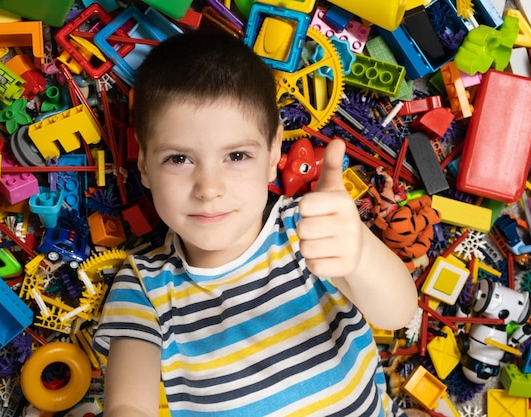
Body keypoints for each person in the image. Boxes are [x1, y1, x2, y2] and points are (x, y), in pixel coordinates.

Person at [93, 28, 418, 417]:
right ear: (144, 164)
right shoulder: (144, 287)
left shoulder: (310, 229)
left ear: (272, 152)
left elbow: (397, 314)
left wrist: (361, 255)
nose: (209, 188)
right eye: (179, 159)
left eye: (236, 156)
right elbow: (129, 404)